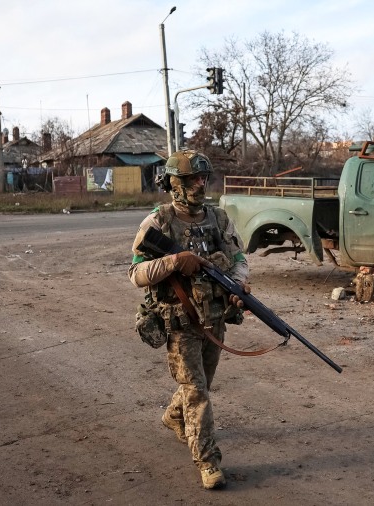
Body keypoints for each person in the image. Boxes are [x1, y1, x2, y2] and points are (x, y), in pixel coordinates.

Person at [128, 150, 249, 490]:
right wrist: (175, 261)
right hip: (181, 323)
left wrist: (239, 285)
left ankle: (173, 416)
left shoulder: (219, 219)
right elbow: (136, 274)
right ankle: (208, 462)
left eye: (203, 178)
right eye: (191, 179)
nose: (200, 184)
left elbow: (239, 259)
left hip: (215, 317)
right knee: (197, 392)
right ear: (172, 184)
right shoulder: (158, 221)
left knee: (200, 384)